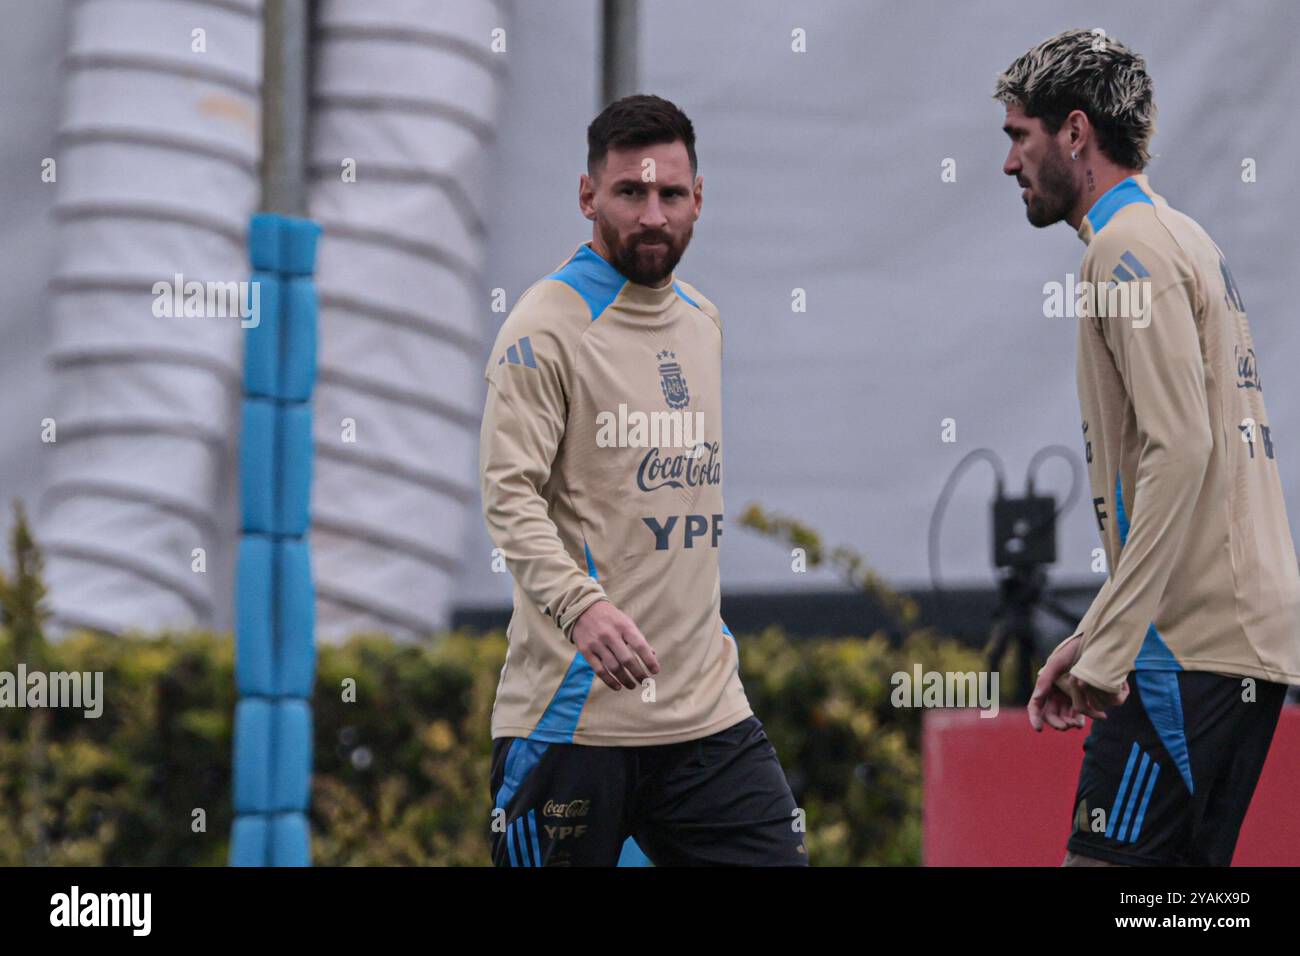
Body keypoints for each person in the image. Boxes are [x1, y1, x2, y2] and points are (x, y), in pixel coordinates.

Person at [996, 29, 1300, 866]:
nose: (1010, 163)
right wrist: (1097, 628)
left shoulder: (1122, 249)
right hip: (1223, 640)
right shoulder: (1180, 236)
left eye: (1019, 137)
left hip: (1185, 647)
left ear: (1076, 132)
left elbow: (1180, 450)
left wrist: (1116, 644)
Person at [479, 93, 806, 866]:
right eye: (630, 192)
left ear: (699, 198)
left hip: (706, 720)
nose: (653, 215)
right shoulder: (544, 326)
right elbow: (508, 495)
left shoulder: (703, 320)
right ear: (589, 196)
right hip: (572, 724)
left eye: (670, 194)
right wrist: (583, 609)